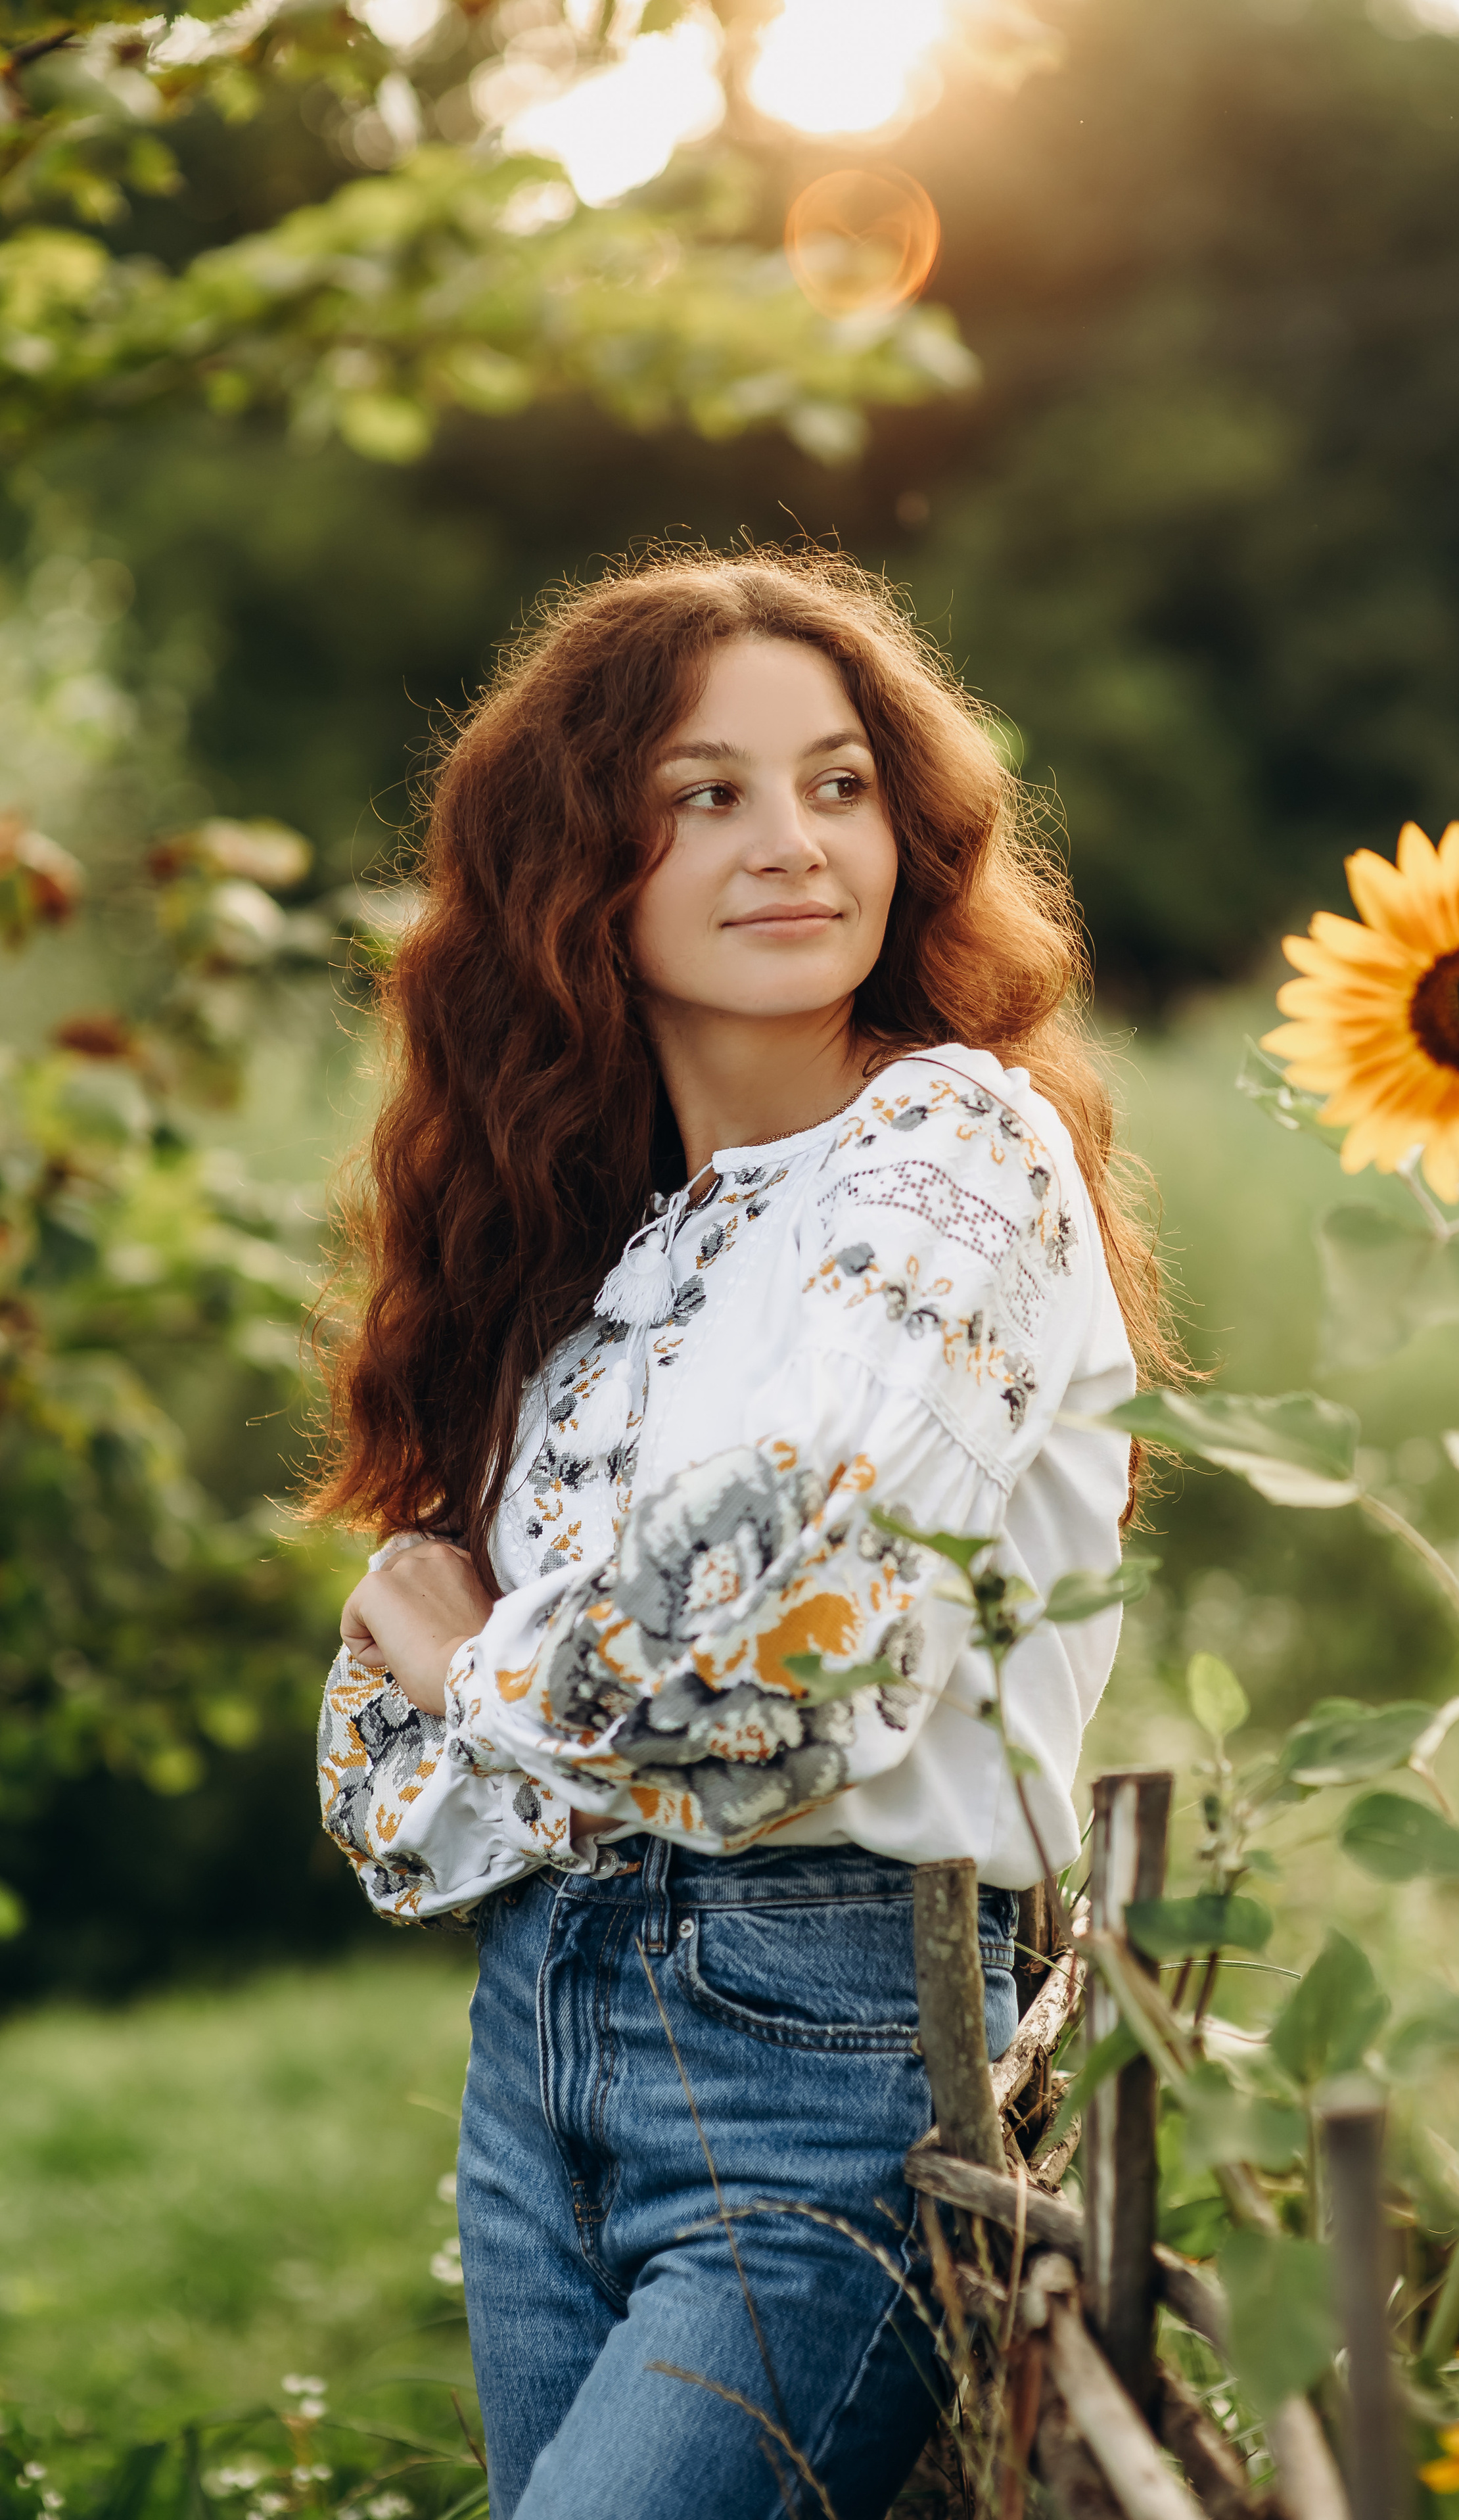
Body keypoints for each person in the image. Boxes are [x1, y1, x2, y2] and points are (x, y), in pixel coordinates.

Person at [309, 547, 1169, 2520]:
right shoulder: (597, 1261)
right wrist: (556, 1694)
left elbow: (781, 1682)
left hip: (829, 2050)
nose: (792, 844)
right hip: (539, 2045)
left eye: (840, 783)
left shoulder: (952, 1155)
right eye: (706, 794)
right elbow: (392, 1805)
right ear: (577, 865)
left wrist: (477, 1658)